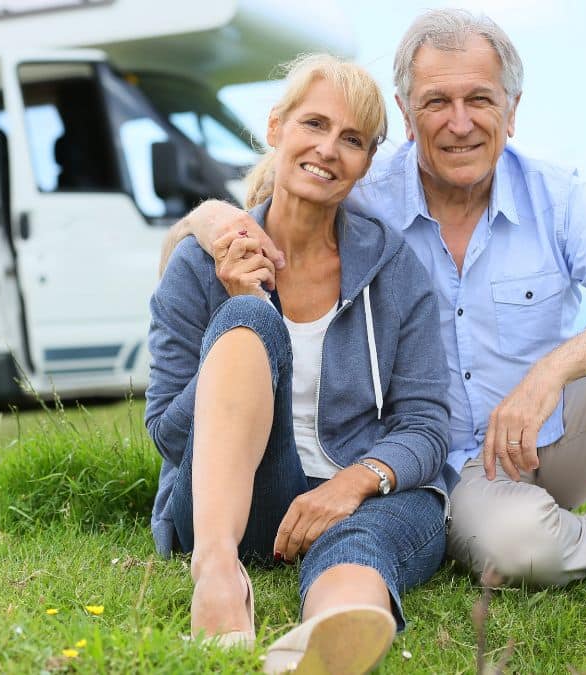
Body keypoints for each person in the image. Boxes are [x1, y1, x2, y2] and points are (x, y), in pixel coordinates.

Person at [160, 10, 586, 674]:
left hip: (549, 435)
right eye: (436, 102)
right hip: (453, 471)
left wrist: (552, 372)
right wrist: (218, 225)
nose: (459, 123)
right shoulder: (367, 191)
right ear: (405, 116)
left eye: (480, 100)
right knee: (517, 547)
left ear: (512, 110)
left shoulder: (554, 198)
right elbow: (266, 194)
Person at [145, 53, 453, 675]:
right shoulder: (199, 266)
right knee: (249, 319)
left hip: (359, 497)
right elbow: (168, 434)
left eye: (353, 140)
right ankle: (218, 575)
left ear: (367, 162)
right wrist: (239, 320)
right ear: (277, 128)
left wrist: (353, 481)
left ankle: (323, 641)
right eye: (313, 124)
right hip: (235, 508)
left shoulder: (394, 269)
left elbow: (426, 424)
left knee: (364, 536)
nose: (328, 150)